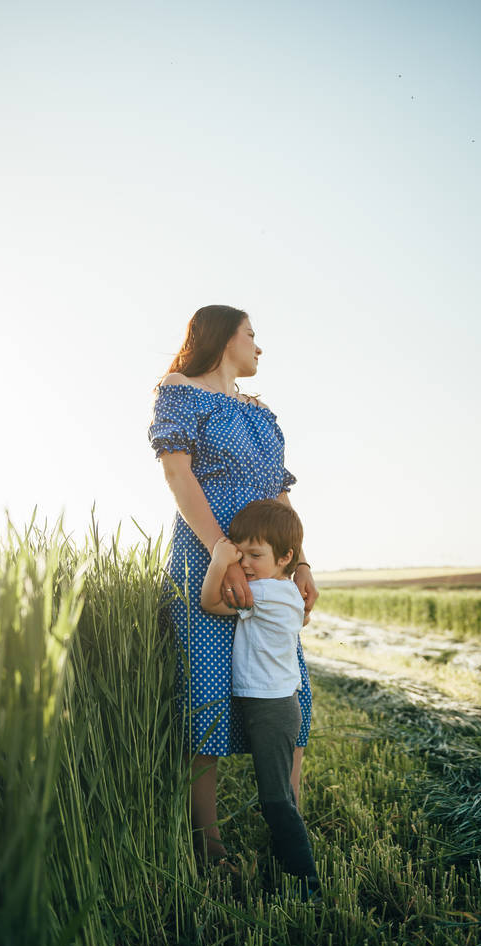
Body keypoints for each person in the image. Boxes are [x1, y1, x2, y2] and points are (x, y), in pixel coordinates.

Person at [147, 304, 318, 870]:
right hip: (207, 561)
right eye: (251, 334)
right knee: (208, 698)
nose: (259, 347)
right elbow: (177, 473)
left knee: (291, 693)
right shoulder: (179, 391)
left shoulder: (262, 415)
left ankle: (288, 829)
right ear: (223, 337)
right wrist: (225, 554)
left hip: (268, 568)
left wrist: (301, 562)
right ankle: (209, 846)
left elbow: (279, 496)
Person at [200, 499, 320, 900]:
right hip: (276, 705)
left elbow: (209, 602)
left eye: (255, 555)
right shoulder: (286, 591)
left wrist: (220, 560)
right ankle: (293, 867)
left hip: (270, 709)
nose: (246, 564)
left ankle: (306, 882)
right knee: (278, 795)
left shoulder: (264, 593)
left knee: (275, 799)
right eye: (241, 554)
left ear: (285, 558)